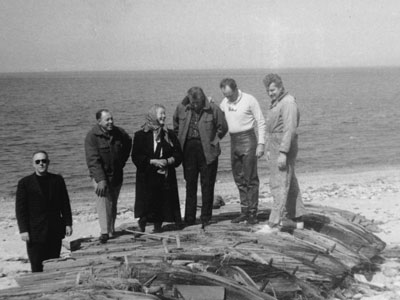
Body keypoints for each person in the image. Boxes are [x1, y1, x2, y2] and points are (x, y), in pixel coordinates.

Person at [173, 87, 228, 227]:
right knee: (190, 185)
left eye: (198, 102)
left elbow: (223, 127)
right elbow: (176, 125)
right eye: (193, 103)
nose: (196, 105)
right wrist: (180, 140)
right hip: (188, 150)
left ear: (203, 99)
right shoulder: (181, 108)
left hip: (208, 150)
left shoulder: (213, 109)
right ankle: (189, 218)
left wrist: (214, 142)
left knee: (207, 185)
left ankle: (206, 217)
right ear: (189, 100)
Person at [15, 151, 73, 272]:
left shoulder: (57, 180)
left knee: (54, 263)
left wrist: (68, 223)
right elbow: (21, 209)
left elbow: (65, 203)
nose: (41, 164)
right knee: (36, 265)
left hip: (54, 228)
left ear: (48, 163)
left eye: (44, 161)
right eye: (38, 161)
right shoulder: (25, 183)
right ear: (33, 164)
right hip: (34, 231)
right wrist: (23, 230)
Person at [219, 78, 266, 225]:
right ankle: (244, 211)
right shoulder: (224, 102)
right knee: (238, 178)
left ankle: (253, 213)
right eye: (225, 95)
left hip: (248, 139)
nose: (228, 98)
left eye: (230, 95)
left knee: (250, 178)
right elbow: (217, 114)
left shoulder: (249, 99)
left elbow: (261, 121)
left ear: (236, 89)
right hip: (234, 141)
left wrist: (261, 144)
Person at [263, 73, 306, 229]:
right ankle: (297, 219)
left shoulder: (288, 103)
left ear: (281, 87)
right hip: (276, 145)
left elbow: (289, 129)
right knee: (290, 182)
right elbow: (272, 129)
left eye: (273, 90)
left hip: (283, 146)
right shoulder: (277, 102)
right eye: (268, 90)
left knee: (279, 183)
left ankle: (273, 222)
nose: (270, 93)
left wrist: (283, 152)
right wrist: (269, 148)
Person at [132, 104, 183, 233]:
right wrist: (152, 161)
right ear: (153, 115)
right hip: (146, 174)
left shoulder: (169, 134)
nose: (164, 116)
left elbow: (178, 154)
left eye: (164, 114)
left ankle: (158, 225)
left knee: (162, 200)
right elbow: (135, 156)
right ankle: (142, 222)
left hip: (164, 173)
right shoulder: (140, 135)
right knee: (146, 201)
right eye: (161, 113)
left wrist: (166, 161)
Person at [84, 109, 132, 243]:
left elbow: (128, 142)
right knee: (103, 202)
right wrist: (100, 180)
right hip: (100, 177)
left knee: (113, 203)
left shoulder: (119, 133)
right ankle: (104, 232)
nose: (111, 122)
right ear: (99, 122)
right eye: (107, 120)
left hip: (116, 174)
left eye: (111, 119)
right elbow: (93, 160)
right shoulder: (92, 137)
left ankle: (111, 230)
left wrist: (122, 161)